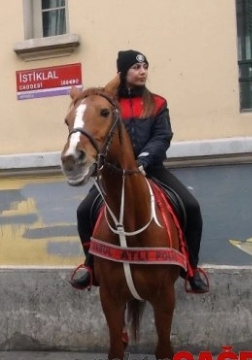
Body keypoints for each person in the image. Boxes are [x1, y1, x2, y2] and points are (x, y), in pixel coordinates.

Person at [69, 49, 209, 294]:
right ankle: (91, 266)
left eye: (145, 67)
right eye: (136, 68)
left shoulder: (157, 103)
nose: (142, 72)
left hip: (151, 169)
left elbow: (163, 135)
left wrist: (144, 158)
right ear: (123, 73)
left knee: (191, 206)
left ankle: (191, 269)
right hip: (114, 174)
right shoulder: (109, 105)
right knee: (83, 211)